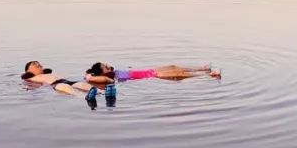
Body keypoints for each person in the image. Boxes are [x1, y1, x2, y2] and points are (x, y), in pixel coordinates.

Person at [84, 61, 221, 86]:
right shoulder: (109, 76)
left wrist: (89, 73)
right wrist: (89, 77)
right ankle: (209, 75)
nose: (108, 65)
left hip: (150, 71)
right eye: (105, 66)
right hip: (152, 76)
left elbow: (92, 73)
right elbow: (98, 78)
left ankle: (202, 68)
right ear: (104, 72)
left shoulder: (111, 72)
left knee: (174, 66)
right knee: (178, 75)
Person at [20, 60, 94, 95]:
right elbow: (27, 82)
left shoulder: (46, 73)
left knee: (81, 84)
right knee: (65, 87)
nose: (38, 65)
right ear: (28, 70)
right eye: (34, 64)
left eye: (39, 64)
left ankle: (101, 92)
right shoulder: (31, 78)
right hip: (56, 85)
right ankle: (83, 96)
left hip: (66, 81)